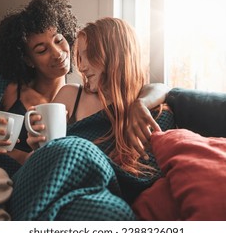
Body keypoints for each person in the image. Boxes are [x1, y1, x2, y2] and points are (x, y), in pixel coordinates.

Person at [0, 0, 170, 221]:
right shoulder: (9, 87)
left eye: (59, 40)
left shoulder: (80, 93)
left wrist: (40, 149)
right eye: (41, 49)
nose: (58, 53)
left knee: (113, 212)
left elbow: (158, 91)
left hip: (47, 182)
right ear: (28, 59)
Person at [25, 17, 174, 205]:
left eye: (90, 55)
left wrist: (140, 104)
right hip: (57, 190)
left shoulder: (153, 113)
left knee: (113, 212)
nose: (83, 66)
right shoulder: (71, 95)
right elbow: (49, 156)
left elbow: (145, 180)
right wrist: (38, 148)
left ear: (117, 54)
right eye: (80, 56)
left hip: (100, 197)